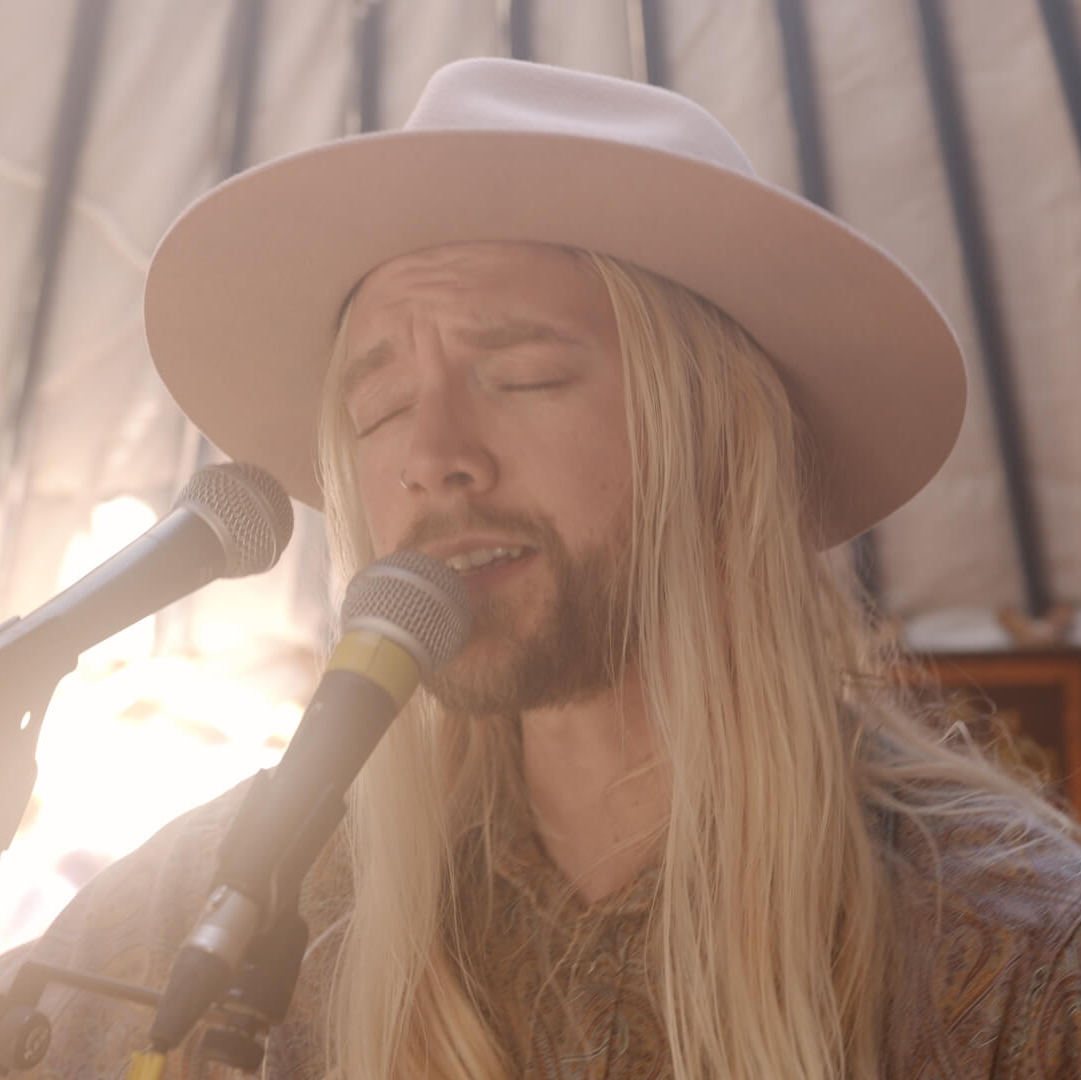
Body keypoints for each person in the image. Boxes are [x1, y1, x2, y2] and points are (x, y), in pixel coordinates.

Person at [3, 57, 1080, 1079]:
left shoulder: (1019, 957)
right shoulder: (233, 904)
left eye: (520, 378)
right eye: (378, 409)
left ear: (714, 447)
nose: (430, 459)